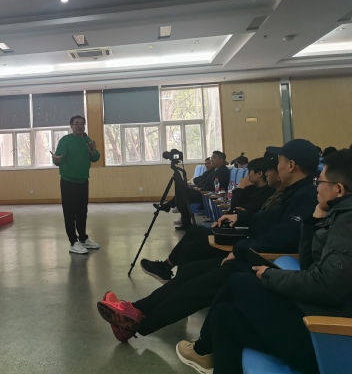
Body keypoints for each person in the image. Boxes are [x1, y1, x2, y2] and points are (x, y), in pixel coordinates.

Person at [96, 139, 319, 343]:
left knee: (197, 286)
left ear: (291, 165)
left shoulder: (305, 196)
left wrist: (240, 249)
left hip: (268, 266)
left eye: (279, 161)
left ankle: (136, 323)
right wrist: (241, 218)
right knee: (191, 270)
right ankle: (135, 309)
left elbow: (283, 237)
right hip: (257, 256)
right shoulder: (296, 192)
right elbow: (269, 219)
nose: (277, 167)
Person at [175, 149, 352, 374]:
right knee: (224, 316)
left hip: (330, 338)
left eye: (321, 182)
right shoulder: (337, 215)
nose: (316, 186)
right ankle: (202, 352)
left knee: (239, 282)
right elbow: (309, 265)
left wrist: (270, 276)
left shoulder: (347, 222)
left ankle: (201, 350)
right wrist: (314, 219)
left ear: (339, 190)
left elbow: (326, 285)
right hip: (321, 316)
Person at [140, 157, 279, 283]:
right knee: (188, 247)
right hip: (232, 227)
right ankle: (176, 282)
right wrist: (239, 204)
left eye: (249, 172)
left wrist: (240, 189)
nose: (247, 176)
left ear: (259, 174)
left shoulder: (266, 193)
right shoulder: (252, 189)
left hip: (239, 235)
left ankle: (166, 267)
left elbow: (241, 209)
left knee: (194, 231)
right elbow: (235, 208)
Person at [52, 115, 101, 254]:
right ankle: (73, 242)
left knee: (82, 212)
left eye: (82, 123)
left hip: (83, 181)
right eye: (77, 123)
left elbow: (96, 158)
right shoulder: (65, 140)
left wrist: (92, 151)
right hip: (68, 182)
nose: (80, 126)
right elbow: (58, 161)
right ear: (71, 126)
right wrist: (56, 159)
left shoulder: (87, 140)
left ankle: (83, 239)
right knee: (69, 213)